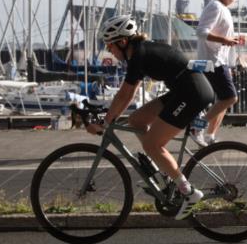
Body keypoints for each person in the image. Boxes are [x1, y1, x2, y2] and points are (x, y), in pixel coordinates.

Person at [86, 14, 214, 219]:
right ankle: (162, 174)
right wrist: (110, 116)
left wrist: (106, 121)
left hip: (192, 93)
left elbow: (126, 94)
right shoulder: (140, 52)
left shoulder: (139, 55)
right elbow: (127, 94)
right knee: (136, 120)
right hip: (184, 89)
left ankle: (188, 192)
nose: (109, 50)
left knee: (152, 145)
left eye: (110, 45)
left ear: (123, 41)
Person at [195, 0, 245, 145]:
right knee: (230, 98)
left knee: (223, 100)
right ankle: (197, 126)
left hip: (221, 61)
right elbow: (201, 31)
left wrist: (230, 40)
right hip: (212, 62)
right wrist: (225, 40)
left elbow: (220, 36)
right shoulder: (215, 6)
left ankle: (210, 135)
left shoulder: (224, 9)